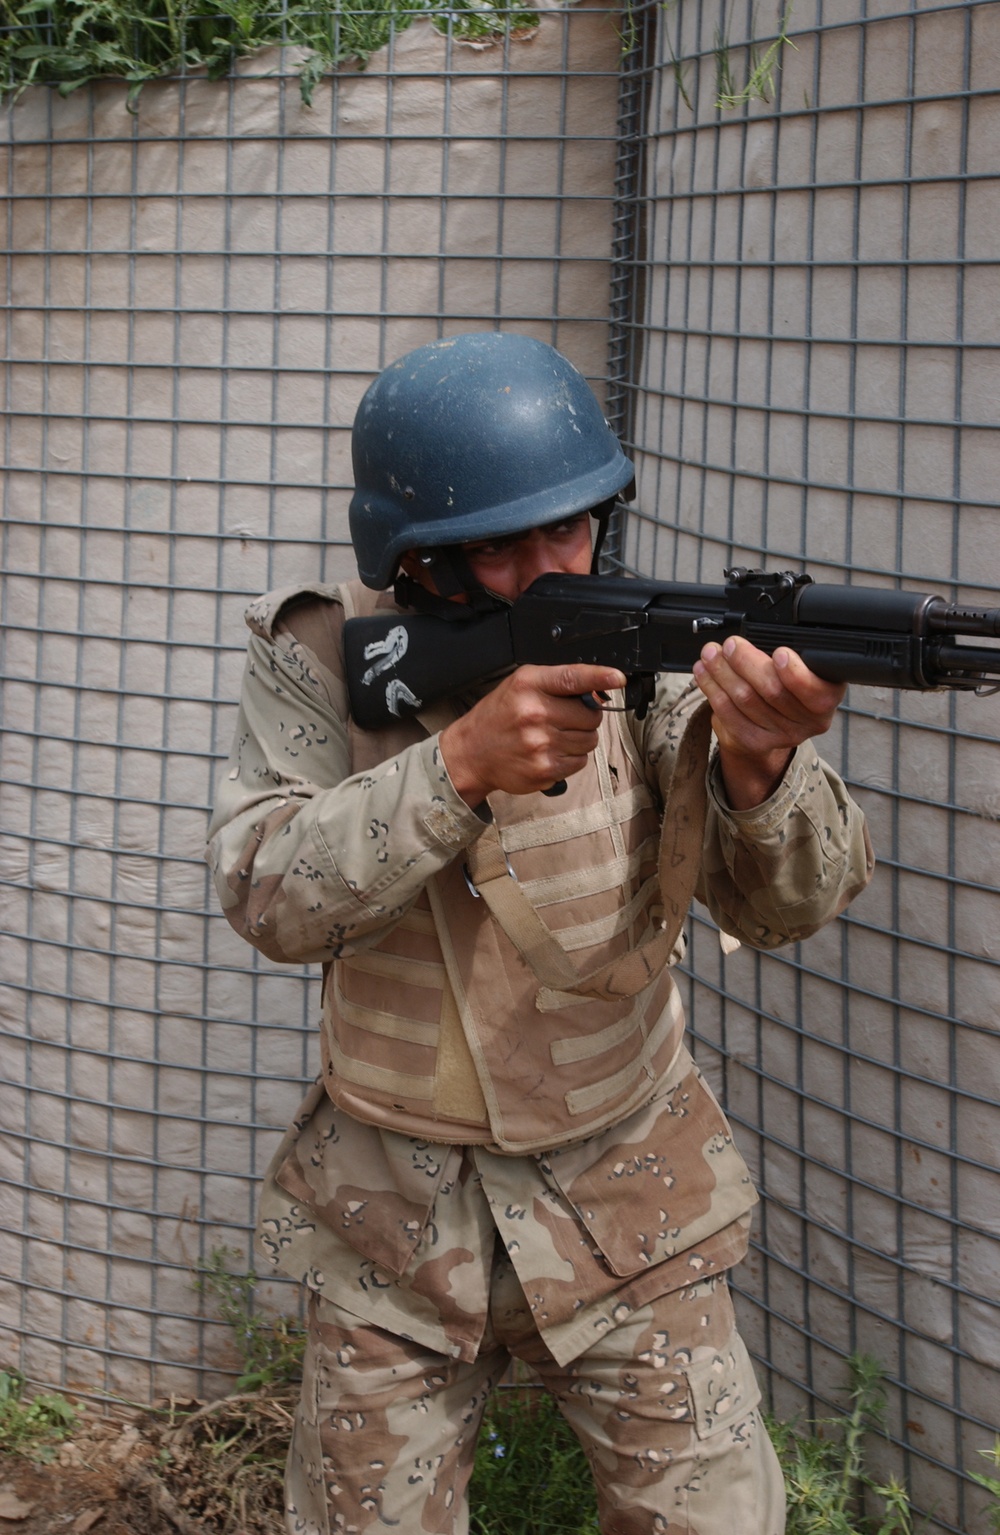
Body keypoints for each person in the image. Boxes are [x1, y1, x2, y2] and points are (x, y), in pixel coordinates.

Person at [207, 331, 873, 1535]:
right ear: (405, 549)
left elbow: (789, 905)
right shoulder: (316, 650)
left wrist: (764, 762)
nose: (541, 569)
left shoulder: (655, 652)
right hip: (388, 1227)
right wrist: (454, 768)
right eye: (494, 545)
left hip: (632, 1200)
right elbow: (267, 895)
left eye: (565, 529)